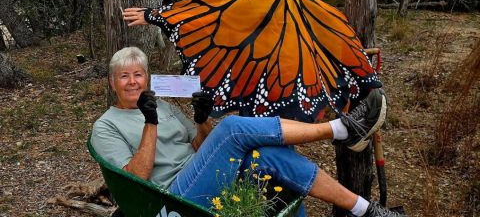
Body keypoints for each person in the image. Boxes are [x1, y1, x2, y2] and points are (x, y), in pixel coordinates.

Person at [91, 47, 405, 217]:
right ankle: (340, 130)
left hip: (202, 178)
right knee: (232, 127)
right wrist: (150, 123)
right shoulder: (105, 127)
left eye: (138, 74)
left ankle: (365, 210)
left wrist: (201, 119)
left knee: (269, 155)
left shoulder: (166, 106)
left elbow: (203, 148)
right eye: (123, 76)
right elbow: (136, 179)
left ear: (147, 78)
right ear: (111, 82)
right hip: (171, 201)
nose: (132, 82)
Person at [122, 0, 383, 122]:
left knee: (264, 156)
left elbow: (210, 11)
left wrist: (155, 15)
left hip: (277, 88)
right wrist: (365, 76)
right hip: (282, 88)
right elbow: (333, 24)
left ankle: (338, 140)